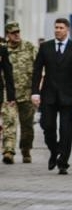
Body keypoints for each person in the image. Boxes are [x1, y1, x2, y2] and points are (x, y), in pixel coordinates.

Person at [31, 17, 72, 175]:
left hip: (69, 95)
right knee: (47, 126)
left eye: (61, 27)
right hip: (48, 94)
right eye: (56, 27)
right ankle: (54, 151)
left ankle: (63, 162)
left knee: (66, 129)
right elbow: (37, 71)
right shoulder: (45, 47)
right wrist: (35, 91)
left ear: (67, 29)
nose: (57, 30)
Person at [2, 21, 33, 164]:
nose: (16, 35)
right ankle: (8, 151)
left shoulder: (29, 47)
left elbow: (39, 67)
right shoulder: (3, 50)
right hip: (9, 94)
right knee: (9, 122)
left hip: (27, 94)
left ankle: (26, 149)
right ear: (7, 34)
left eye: (18, 32)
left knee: (27, 126)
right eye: (13, 33)